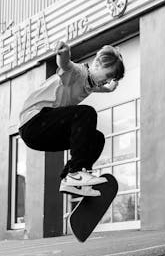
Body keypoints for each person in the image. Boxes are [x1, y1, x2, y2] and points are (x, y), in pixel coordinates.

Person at [18, 41, 124, 197]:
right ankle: (75, 173)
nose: (106, 81)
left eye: (110, 79)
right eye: (108, 76)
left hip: (43, 134)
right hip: (34, 122)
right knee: (86, 113)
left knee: (96, 139)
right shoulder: (78, 72)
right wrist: (63, 53)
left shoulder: (90, 84)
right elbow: (66, 64)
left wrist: (110, 87)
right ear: (96, 64)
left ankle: (71, 179)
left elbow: (100, 87)